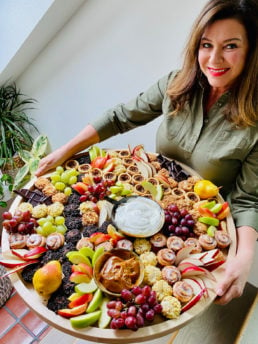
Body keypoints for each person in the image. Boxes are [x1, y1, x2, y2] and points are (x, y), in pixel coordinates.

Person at [36, 0, 258, 306]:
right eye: (206, 44)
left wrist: (245, 255)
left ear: (251, 51)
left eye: (230, 46)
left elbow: (247, 199)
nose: (214, 58)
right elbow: (120, 117)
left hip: (195, 231)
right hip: (145, 205)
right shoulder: (176, 83)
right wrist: (63, 151)